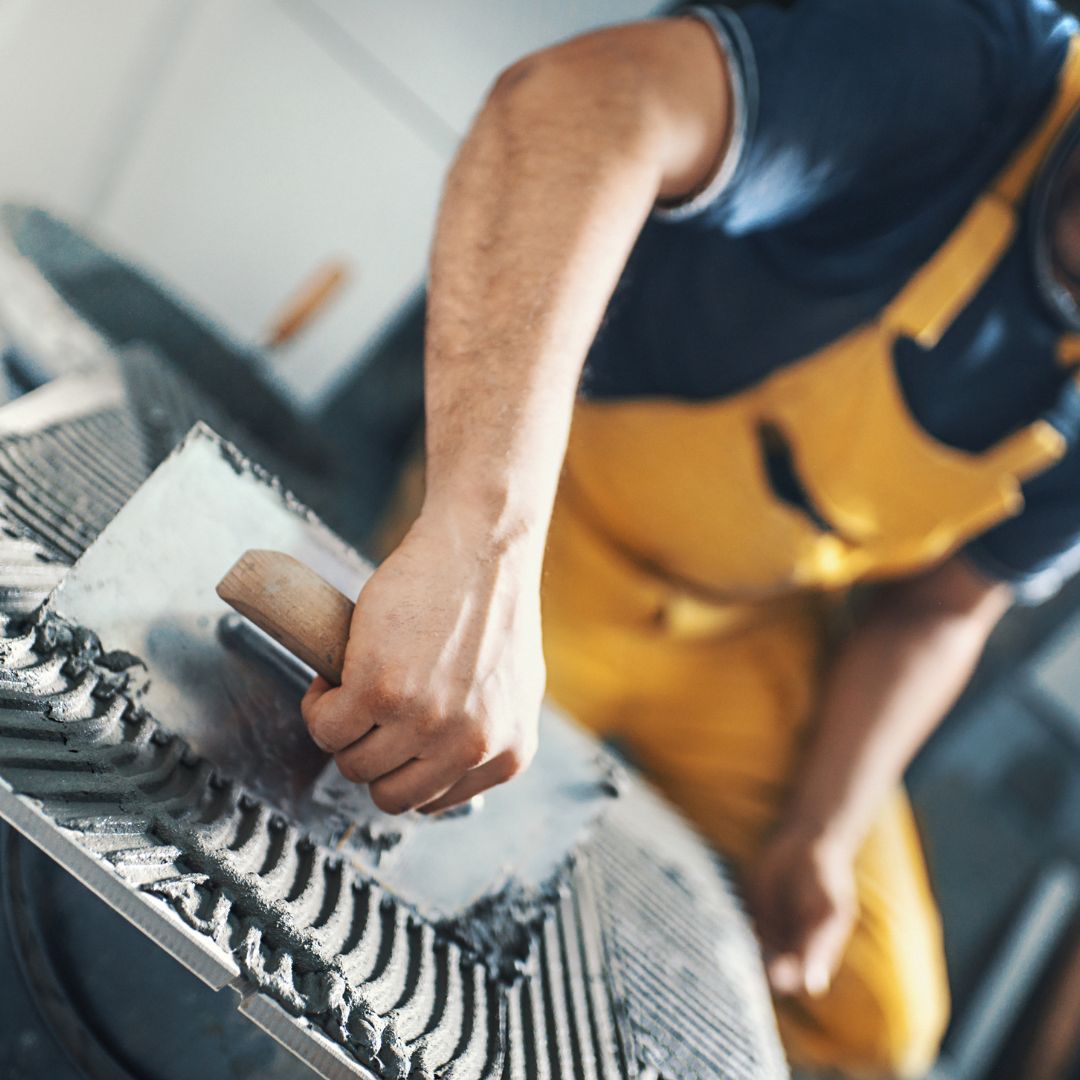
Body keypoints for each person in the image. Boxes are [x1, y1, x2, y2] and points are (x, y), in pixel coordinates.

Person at [302, 0, 1080, 1073]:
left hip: (747, 635)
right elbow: (577, 107)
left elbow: (944, 605)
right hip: (557, 534)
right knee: (380, 820)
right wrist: (482, 545)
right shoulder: (969, 58)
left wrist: (822, 830)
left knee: (876, 1026)